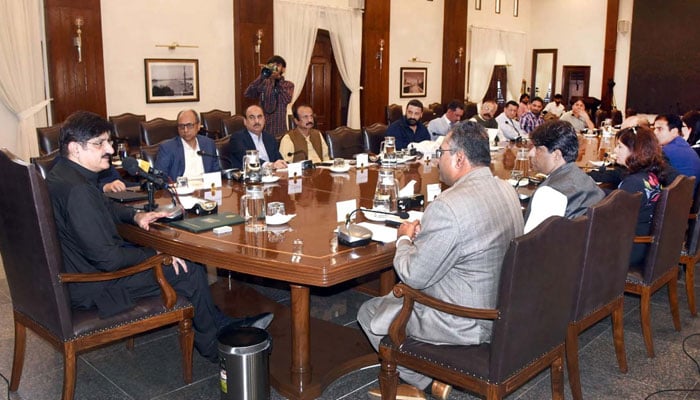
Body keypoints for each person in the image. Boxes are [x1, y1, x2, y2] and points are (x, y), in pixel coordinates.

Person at [45, 111, 273, 363]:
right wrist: (157, 255)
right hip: (94, 284)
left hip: (78, 269)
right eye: (100, 143)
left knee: (182, 264)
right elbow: (108, 258)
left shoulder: (63, 173)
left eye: (109, 141)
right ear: (75, 148)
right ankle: (214, 349)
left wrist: (134, 216)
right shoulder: (78, 191)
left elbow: (104, 206)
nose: (109, 149)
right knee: (189, 269)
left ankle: (223, 324)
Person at [358, 121, 524, 400]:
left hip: (466, 321)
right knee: (391, 300)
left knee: (370, 312)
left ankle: (422, 381)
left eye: (441, 152)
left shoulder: (449, 205)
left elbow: (413, 276)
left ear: (459, 158)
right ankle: (434, 379)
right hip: (502, 306)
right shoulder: (506, 189)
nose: (437, 159)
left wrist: (404, 239)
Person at [524, 120, 605, 233]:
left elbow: (530, 243)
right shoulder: (586, 179)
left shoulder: (549, 193)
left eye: (538, 149)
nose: (531, 154)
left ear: (556, 155)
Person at [613, 126, 673, 266]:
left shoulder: (633, 184)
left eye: (620, 147)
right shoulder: (650, 176)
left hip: (630, 249)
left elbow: (614, 221)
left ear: (635, 151)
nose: (615, 150)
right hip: (645, 244)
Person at [154, 109, 221, 182]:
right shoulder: (167, 148)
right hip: (181, 191)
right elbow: (159, 179)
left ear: (198, 126)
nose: (185, 130)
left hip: (206, 190)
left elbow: (216, 173)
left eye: (189, 125)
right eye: (181, 126)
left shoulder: (209, 144)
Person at [244, 55, 294, 140]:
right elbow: (248, 94)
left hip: (278, 130)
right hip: (261, 129)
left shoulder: (288, 85)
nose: (274, 68)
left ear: (283, 69)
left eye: (277, 65)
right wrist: (261, 77)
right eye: (271, 66)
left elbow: (286, 99)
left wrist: (277, 81)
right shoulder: (263, 83)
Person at [226, 104, 288, 169]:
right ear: (245, 121)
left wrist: (282, 164)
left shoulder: (269, 138)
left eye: (259, 117)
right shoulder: (238, 138)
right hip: (251, 177)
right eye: (252, 117)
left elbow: (278, 159)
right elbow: (248, 160)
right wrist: (270, 165)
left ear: (264, 119)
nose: (257, 121)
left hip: (272, 177)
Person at [653, 113, 700, 189]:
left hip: (677, 196)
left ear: (674, 131)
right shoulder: (683, 145)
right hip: (686, 197)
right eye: (654, 128)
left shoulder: (667, 151)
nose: (654, 132)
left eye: (659, 129)